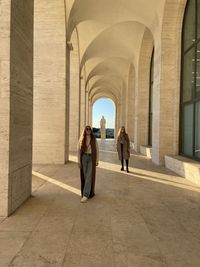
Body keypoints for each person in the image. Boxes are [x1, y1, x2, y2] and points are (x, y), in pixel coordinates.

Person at [78, 125, 99, 203]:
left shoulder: (94, 139)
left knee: (89, 176)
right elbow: (78, 151)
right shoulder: (81, 139)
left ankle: (85, 195)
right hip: (84, 158)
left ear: (91, 130)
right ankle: (88, 192)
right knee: (84, 175)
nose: (88, 130)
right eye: (87, 129)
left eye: (89, 129)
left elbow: (97, 150)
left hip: (91, 158)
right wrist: (78, 161)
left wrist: (97, 160)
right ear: (85, 130)